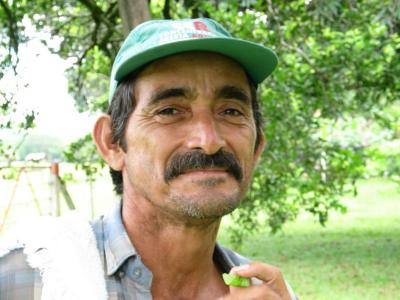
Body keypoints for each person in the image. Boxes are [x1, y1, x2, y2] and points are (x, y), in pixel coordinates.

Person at [0, 18, 298, 300]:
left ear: (257, 147)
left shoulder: (265, 291)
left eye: (231, 111)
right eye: (169, 111)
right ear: (112, 143)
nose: (208, 142)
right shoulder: (33, 276)